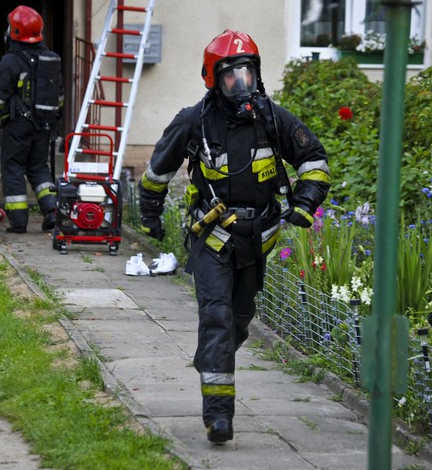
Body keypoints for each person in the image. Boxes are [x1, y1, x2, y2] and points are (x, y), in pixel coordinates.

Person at [138, 30, 330, 443]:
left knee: (239, 318)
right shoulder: (194, 121)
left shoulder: (273, 118)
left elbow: (314, 160)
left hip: (258, 239)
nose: (241, 82)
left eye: (247, 72)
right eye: (231, 75)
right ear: (214, 78)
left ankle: (212, 356)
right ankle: (219, 417)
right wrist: (150, 218)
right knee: (217, 317)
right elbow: (156, 173)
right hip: (213, 238)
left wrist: (304, 204)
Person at [0, 5, 63, 233]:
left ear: (14, 32)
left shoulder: (11, 61)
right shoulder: (50, 59)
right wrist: (54, 123)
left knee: (13, 167)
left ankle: (18, 221)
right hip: (44, 125)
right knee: (39, 167)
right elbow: (59, 98)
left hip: (18, 126)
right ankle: (52, 211)